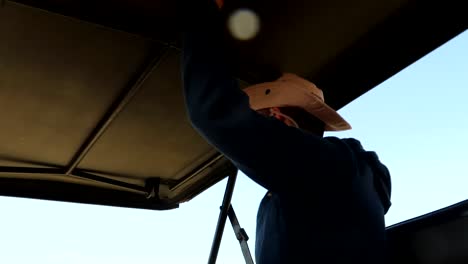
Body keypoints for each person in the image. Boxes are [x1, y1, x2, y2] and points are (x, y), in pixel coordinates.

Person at [180, 1, 392, 263]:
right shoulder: (339, 176)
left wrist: (203, 11)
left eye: (259, 120)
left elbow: (211, 112)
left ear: (279, 118)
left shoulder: (326, 168)